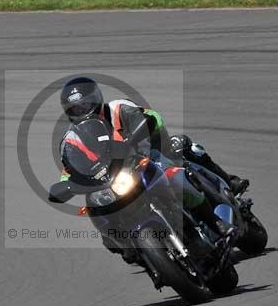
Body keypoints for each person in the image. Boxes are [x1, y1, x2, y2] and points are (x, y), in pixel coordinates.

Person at [57, 76, 249, 263]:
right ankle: (130, 248)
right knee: (97, 210)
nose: (82, 110)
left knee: (176, 172)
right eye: (75, 108)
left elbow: (152, 118)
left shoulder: (119, 108)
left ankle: (214, 220)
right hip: (113, 180)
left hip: (148, 156)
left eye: (85, 104)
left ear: (97, 99)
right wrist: (66, 185)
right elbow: (70, 169)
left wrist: (139, 142)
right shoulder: (71, 140)